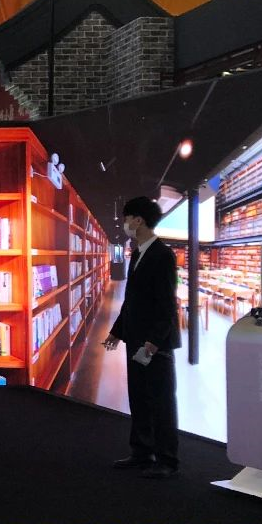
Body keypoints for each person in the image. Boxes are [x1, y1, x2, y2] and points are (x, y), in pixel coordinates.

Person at [102, 196, 182, 479]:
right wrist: (117, 331)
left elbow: (167, 304)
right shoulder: (137, 253)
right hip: (135, 338)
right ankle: (141, 452)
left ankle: (167, 460)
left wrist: (154, 341)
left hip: (154, 343)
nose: (124, 223)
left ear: (139, 220)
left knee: (161, 400)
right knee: (138, 395)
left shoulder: (163, 255)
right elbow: (132, 299)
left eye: (127, 218)